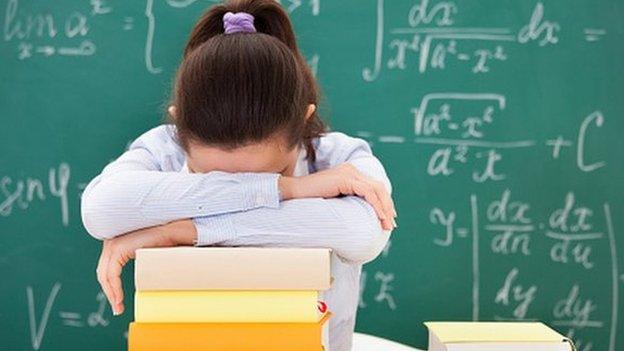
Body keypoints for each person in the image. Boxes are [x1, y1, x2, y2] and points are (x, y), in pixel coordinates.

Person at [80, 1, 396, 350]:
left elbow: (363, 232)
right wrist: (289, 187)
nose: (245, 183)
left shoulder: (342, 158)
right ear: (178, 126)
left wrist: (185, 231)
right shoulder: (163, 149)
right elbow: (99, 210)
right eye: (211, 178)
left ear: (304, 122)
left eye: (270, 173)